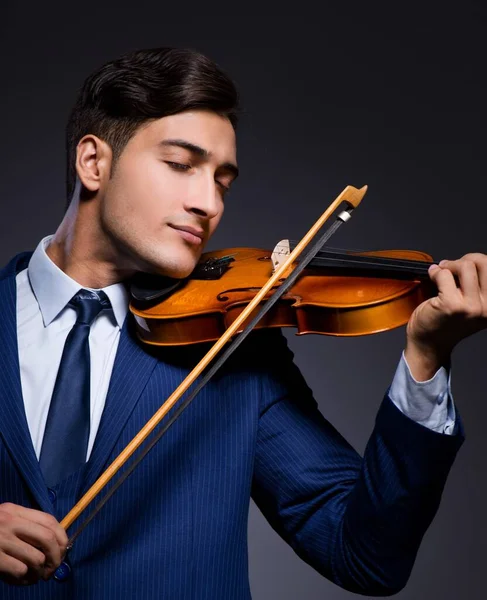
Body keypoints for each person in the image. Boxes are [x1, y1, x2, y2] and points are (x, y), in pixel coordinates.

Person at [0, 46, 484, 599]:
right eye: (181, 164)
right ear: (93, 163)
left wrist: (426, 356)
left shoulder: (237, 350)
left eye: (223, 181)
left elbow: (366, 556)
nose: (209, 203)